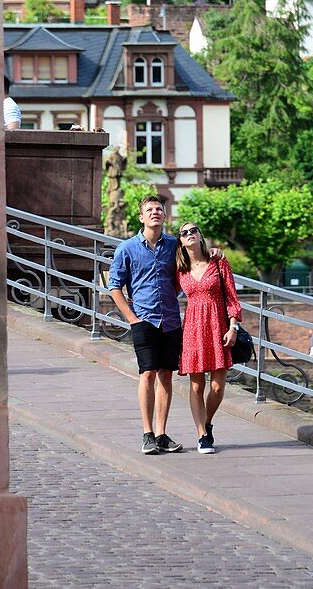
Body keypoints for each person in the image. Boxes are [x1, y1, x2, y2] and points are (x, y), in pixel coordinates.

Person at [108, 195, 184, 455]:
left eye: (159, 209)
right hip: (144, 319)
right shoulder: (127, 248)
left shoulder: (174, 245)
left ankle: (162, 434)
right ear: (141, 217)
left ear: (164, 216)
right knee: (147, 374)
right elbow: (114, 286)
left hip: (171, 319)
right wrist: (131, 318)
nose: (155, 213)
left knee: (166, 375)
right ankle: (147, 433)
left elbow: (196, 261)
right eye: (150, 210)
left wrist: (215, 253)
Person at [176, 224, 242, 454]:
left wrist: (232, 327)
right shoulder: (179, 269)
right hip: (193, 328)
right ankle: (202, 436)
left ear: (200, 235)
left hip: (218, 326)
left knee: (217, 386)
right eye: (183, 233)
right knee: (196, 385)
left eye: (193, 230)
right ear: (181, 242)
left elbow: (232, 298)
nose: (189, 234)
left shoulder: (218, 262)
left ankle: (207, 422)